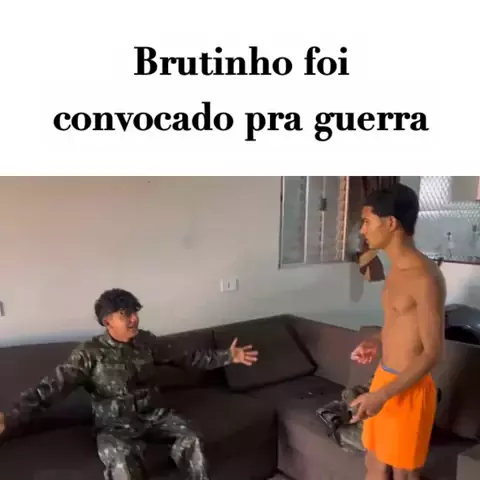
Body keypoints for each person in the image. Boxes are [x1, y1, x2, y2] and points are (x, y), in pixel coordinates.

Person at [0, 288, 259, 480]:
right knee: (122, 460)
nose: (134, 319)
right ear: (108, 321)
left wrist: (228, 356)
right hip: (115, 425)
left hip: (155, 415)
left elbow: (187, 357)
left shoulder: (147, 341)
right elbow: (52, 388)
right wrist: (11, 417)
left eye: (135, 312)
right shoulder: (89, 354)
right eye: (125, 314)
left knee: (192, 438)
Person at [349, 183, 445, 480]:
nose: (363, 230)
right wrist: (375, 340)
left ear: (390, 223)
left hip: (409, 390)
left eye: (367, 221)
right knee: (374, 465)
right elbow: (401, 323)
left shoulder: (425, 277)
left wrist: (383, 396)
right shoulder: (396, 269)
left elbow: (432, 353)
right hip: (384, 378)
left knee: (403, 475)